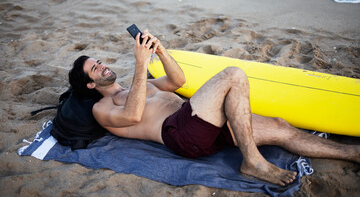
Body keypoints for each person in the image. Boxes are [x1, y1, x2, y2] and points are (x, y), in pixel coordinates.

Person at [69, 29, 360, 186]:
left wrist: (160, 51)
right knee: (233, 75)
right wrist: (141, 63)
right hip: (180, 132)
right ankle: (253, 162)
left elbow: (178, 80)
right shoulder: (103, 108)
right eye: (96, 68)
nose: (103, 65)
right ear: (90, 85)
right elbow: (132, 115)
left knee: (281, 127)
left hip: (203, 122)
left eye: (100, 61)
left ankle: (352, 153)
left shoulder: (141, 85)